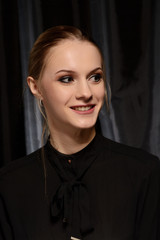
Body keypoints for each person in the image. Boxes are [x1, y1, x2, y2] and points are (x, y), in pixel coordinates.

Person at [0, 25, 160, 240]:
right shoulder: (9, 185)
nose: (86, 93)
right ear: (35, 87)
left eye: (95, 77)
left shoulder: (144, 173)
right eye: (67, 79)